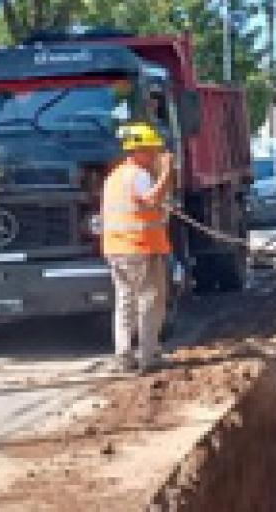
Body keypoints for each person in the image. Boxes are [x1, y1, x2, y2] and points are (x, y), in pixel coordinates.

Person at [102, 122, 174, 374]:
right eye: (152, 150)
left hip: (116, 248)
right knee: (151, 300)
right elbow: (152, 199)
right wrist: (167, 172)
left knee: (125, 302)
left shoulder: (115, 176)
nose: (155, 154)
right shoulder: (140, 175)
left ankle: (123, 356)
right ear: (138, 150)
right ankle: (149, 355)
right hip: (140, 248)